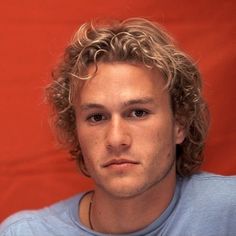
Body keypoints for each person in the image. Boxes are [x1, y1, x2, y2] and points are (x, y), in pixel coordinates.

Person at [0, 18, 236, 236]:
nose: (115, 139)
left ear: (179, 125)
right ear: (75, 132)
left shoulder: (228, 212)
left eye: (138, 113)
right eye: (96, 117)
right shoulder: (26, 232)